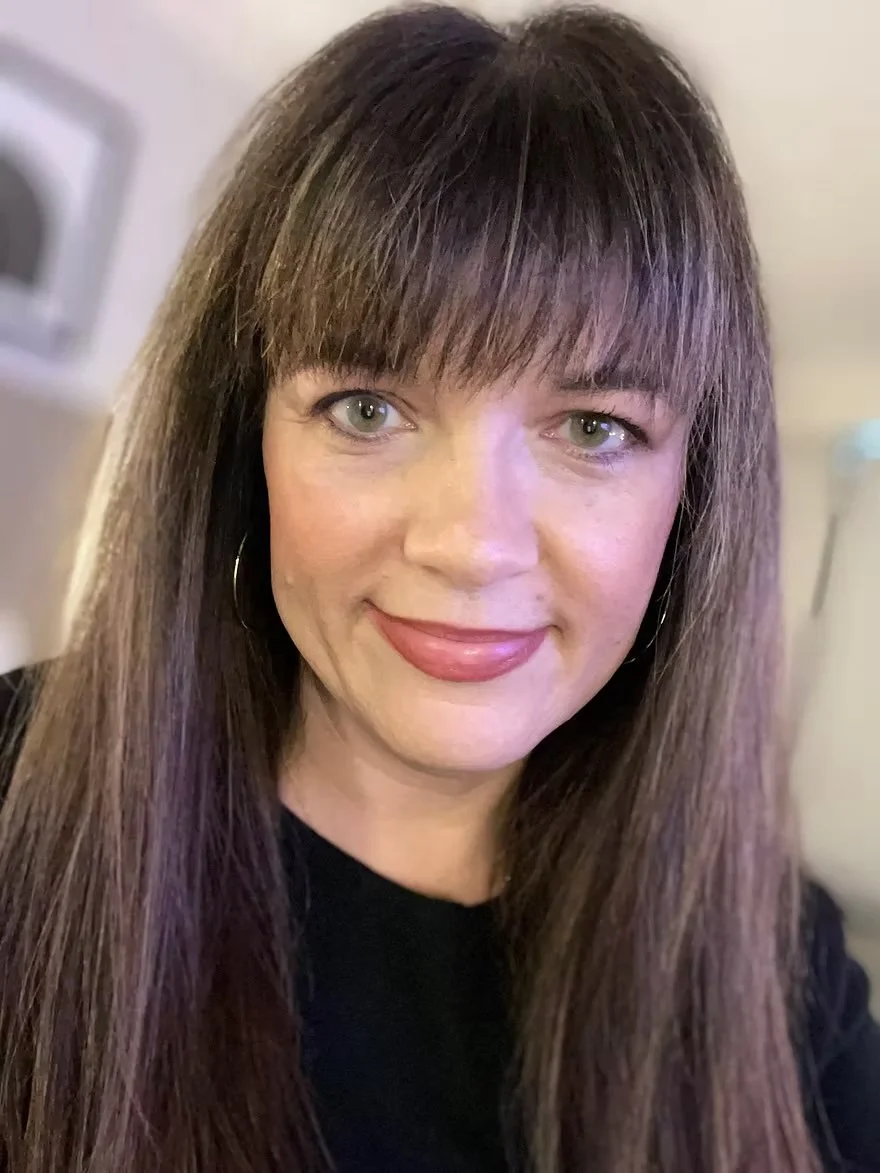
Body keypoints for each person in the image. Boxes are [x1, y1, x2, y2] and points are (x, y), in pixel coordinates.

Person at [0, 4, 877, 1172]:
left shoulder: (784, 973)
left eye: (592, 427)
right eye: (369, 410)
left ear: (692, 501)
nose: (472, 545)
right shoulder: (19, 805)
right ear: (243, 445)